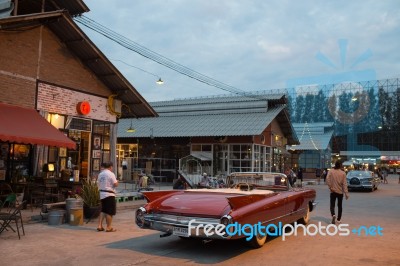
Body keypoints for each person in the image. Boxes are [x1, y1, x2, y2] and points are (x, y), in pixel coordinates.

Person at [97, 161, 118, 232]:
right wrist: (117, 182)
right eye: (112, 167)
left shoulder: (100, 174)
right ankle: (109, 227)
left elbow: (98, 183)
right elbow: (115, 184)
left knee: (103, 210)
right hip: (109, 194)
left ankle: (99, 225)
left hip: (102, 194)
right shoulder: (111, 174)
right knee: (109, 212)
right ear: (110, 167)